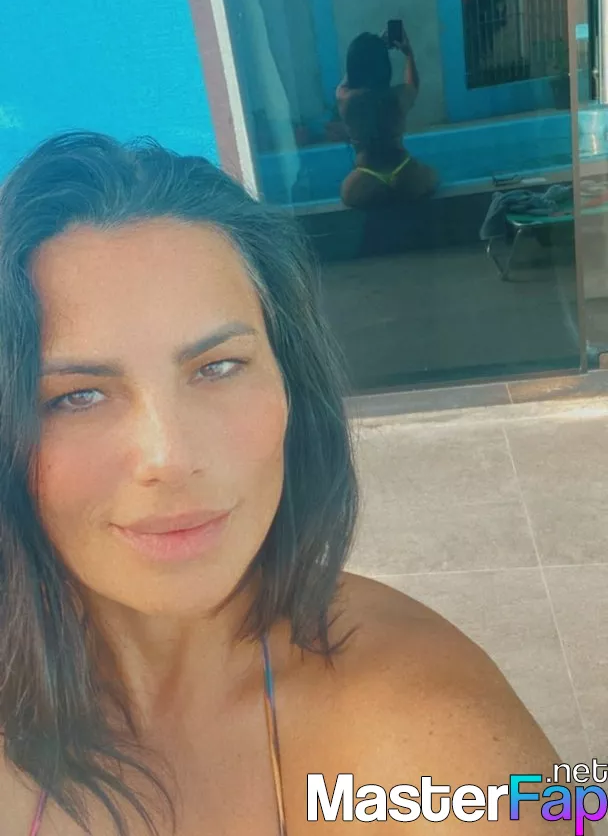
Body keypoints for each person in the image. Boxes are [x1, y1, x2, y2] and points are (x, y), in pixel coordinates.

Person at [0, 131, 572, 836]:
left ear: (291, 382)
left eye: (217, 367)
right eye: (77, 395)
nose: (169, 457)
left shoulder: (450, 740)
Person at [337, 30, 438, 210]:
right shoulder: (398, 97)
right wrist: (408, 53)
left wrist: (361, 58)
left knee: (346, 193)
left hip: (365, 177)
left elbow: (346, 82)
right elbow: (413, 84)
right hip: (404, 171)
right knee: (433, 178)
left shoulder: (346, 100)